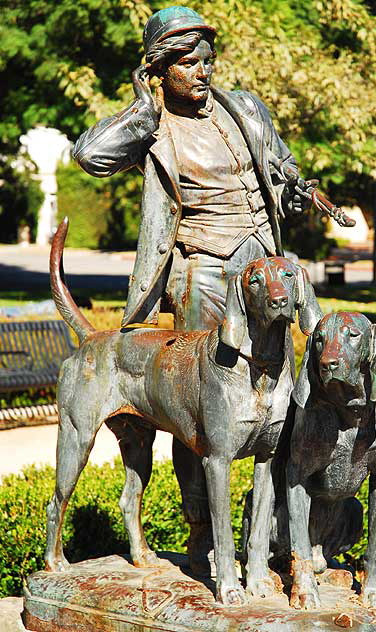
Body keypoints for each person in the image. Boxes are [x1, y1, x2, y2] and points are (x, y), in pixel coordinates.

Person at [73, 5, 317, 574]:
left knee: (278, 393)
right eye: (187, 63)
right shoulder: (154, 127)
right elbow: (90, 155)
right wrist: (141, 105)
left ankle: (277, 529)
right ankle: (203, 532)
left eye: (207, 60)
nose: (202, 72)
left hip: (262, 265)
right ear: (160, 69)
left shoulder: (245, 109)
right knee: (202, 404)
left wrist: (297, 194)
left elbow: (280, 172)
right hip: (202, 271)